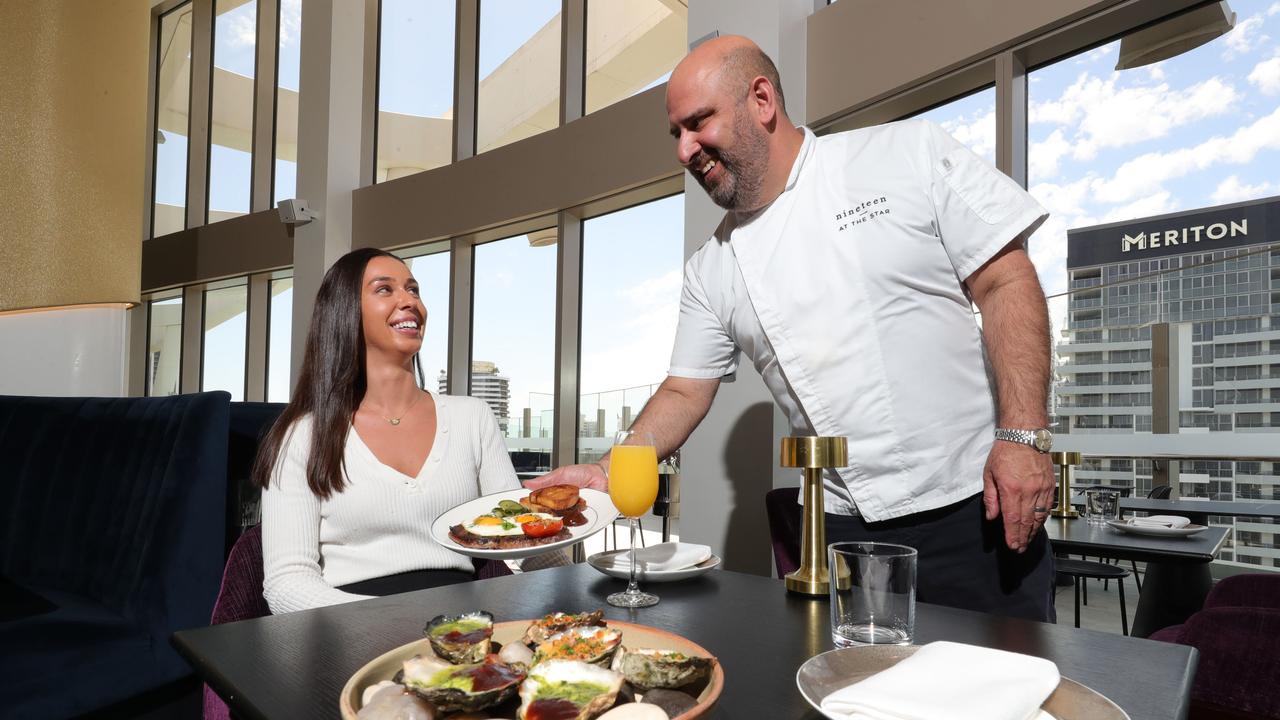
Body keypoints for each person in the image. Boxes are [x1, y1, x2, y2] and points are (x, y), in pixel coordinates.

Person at [530, 36, 1058, 621]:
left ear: (761, 100)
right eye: (675, 133)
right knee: (853, 701)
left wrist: (1023, 437)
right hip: (835, 528)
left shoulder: (903, 154)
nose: (684, 150)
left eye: (697, 122)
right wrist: (610, 471)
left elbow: (1005, 282)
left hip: (974, 503)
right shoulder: (713, 266)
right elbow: (684, 390)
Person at [255, 248, 561, 614]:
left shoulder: (472, 417)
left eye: (413, 290)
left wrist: (574, 590)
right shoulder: (302, 436)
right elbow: (287, 584)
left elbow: (519, 537)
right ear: (345, 312)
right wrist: (395, 624)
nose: (409, 301)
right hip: (350, 631)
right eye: (385, 290)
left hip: (465, 629)